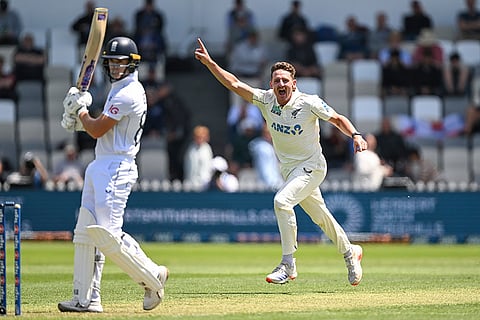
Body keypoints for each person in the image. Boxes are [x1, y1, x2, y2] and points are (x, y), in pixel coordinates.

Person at [195, 38, 366, 286]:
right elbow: (233, 83)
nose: (281, 84)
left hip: (312, 166)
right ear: (271, 84)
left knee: (281, 201)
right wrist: (211, 64)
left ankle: (288, 263)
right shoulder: (266, 100)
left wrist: (356, 135)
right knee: (321, 217)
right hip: (290, 171)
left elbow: (338, 119)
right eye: (277, 81)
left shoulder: (309, 102)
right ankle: (351, 252)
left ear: (294, 84)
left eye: (286, 80)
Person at [58, 36, 168, 313]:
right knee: (85, 232)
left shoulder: (128, 92)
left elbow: (96, 129)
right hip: (101, 163)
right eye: (111, 63)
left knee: (107, 234)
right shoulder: (119, 88)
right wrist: (77, 120)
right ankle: (86, 299)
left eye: (121, 63)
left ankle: (152, 276)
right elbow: (103, 130)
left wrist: (80, 110)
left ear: (132, 64)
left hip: (117, 167)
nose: (116, 67)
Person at [248, 123, 284, 190]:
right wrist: (273, 185)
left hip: (274, 184)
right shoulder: (264, 148)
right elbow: (265, 169)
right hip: (269, 187)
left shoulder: (269, 147)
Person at [133, 0, 167, 69]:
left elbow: (160, 28)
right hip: (141, 35)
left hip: (154, 36)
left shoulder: (158, 15)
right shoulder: (139, 14)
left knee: (159, 40)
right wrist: (144, 31)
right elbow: (137, 26)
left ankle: (155, 61)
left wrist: (151, 31)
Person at [183, 125, 214, 191]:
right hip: (190, 183)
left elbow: (207, 168)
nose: (199, 139)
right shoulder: (191, 148)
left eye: (201, 137)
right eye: (197, 137)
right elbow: (188, 166)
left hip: (203, 186)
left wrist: (203, 182)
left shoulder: (207, 149)